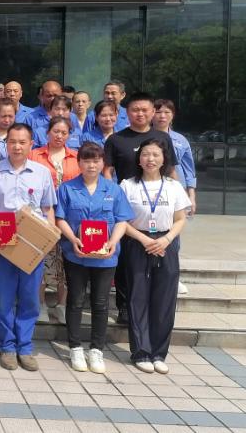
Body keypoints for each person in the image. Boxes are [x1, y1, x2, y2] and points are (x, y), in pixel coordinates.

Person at [54, 141, 134, 373]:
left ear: (102, 163)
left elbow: (121, 220)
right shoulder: (67, 188)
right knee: (76, 301)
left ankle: (97, 349)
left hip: (106, 256)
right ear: (78, 163)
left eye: (96, 161)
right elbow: (60, 218)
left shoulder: (113, 189)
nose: (91, 165)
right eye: (87, 160)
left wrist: (113, 241)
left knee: (100, 303)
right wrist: (73, 239)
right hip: (76, 254)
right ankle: (75, 347)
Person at [0, 123, 56, 371]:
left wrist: (49, 238)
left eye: (22, 142)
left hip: (32, 244)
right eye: (12, 141)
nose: (17, 146)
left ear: (31, 144)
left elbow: (47, 208)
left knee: (30, 297)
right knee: (3, 297)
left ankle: (25, 346)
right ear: (6, 143)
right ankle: (7, 346)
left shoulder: (42, 173)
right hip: (3, 242)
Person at [103, 92, 179, 325]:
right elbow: (107, 171)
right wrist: (110, 199)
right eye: (135, 109)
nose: (140, 114)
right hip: (128, 203)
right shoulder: (116, 139)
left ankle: (154, 308)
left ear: (153, 112)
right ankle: (125, 307)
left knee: (161, 258)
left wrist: (181, 197)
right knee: (126, 260)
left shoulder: (162, 138)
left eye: (145, 110)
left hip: (160, 204)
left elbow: (171, 170)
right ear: (127, 112)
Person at [119, 138, 190, 374]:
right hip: (137, 241)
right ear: (139, 159)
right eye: (146, 154)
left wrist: (166, 240)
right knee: (137, 298)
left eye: (156, 155)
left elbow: (180, 219)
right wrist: (144, 239)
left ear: (163, 159)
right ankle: (141, 353)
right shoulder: (128, 185)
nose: (150, 159)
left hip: (165, 243)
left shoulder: (173, 186)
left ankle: (159, 353)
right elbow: (121, 221)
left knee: (165, 300)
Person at [28, 116, 81, 323]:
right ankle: (40, 304)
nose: (59, 136)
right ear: (47, 132)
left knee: (66, 262)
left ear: (69, 135)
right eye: (55, 131)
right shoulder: (34, 155)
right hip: (41, 215)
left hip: (69, 217)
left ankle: (61, 305)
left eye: (64, 133)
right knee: (41, 260)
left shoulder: (76, 158)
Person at [153, 99, 196, 296]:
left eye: (167, 112)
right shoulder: (145, 136)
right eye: (158, 112)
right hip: (150, 191)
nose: (162, 116)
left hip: (174, 192)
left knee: (174, 235)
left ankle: (172, 276)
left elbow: (188, 169)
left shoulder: (180, 140)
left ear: (173, 115)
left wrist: (191, 195)